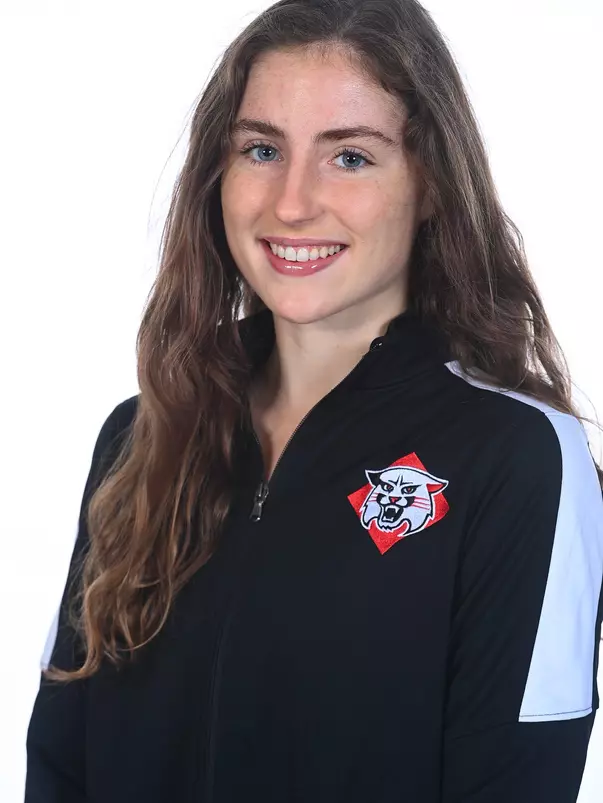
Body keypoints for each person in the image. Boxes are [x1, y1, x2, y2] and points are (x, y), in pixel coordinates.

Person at [25, 1, 603, 801]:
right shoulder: (144, 431)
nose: (292, 203)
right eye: (262, 149)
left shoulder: (516, 454)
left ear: (430, 184)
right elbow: (59, 763)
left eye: (350, 157)